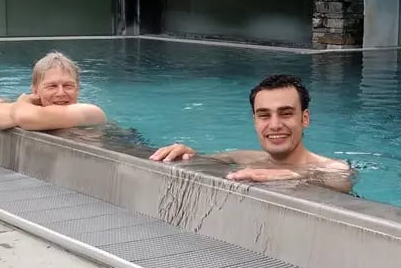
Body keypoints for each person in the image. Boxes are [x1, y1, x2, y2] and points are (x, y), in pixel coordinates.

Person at [149, 74, 353, 192]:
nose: (275, 125)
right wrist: (186, 154)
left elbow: (338, 180)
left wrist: (298, 176)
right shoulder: (243, 158)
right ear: (255, 120)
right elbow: (204, 161)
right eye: (264, 115)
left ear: (305, 118)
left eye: (286, 113)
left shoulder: (332, 168)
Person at [0, 51, 106, 132]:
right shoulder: (30, 109)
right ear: (35, 91)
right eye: (52, 86)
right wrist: (23, 109)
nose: (61, 93)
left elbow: (26, 118)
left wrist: (22, 103)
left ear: (78, 89)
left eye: (68, 86)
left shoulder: (90, 112)